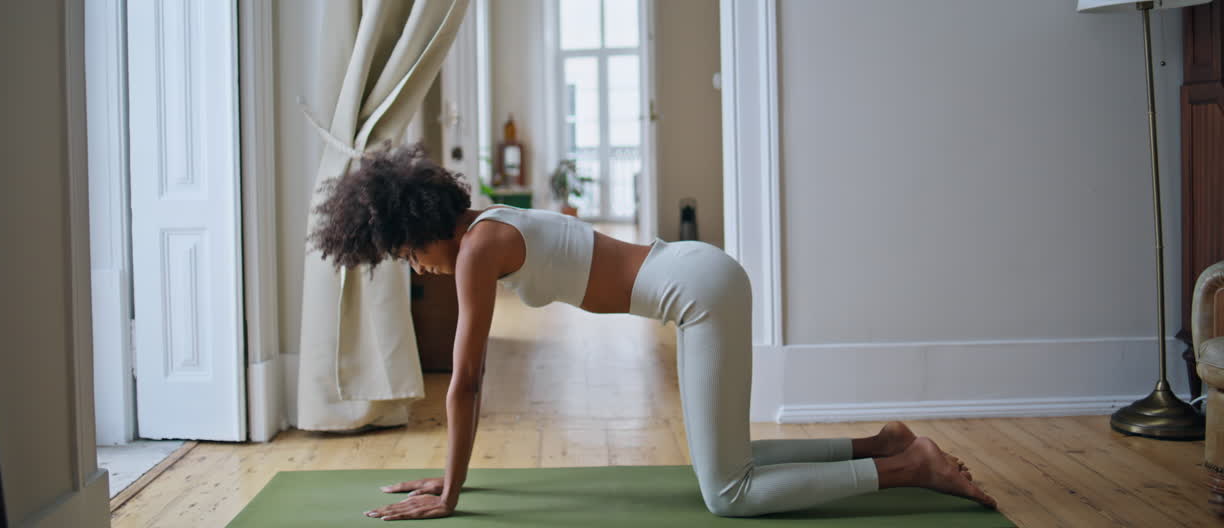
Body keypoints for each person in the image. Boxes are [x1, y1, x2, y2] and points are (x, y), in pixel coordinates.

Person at [308, 143, 997, 521]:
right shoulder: (485, 221)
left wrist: (451, 494)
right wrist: (452, 475)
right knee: (725, 461)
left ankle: (909, 468)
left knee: (730, 496)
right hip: (696, 279)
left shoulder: (479, 249)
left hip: (697, 292)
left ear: (417, 227)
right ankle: (882, 442)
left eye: (405, 253)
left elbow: (464, 383)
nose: (415, 268)